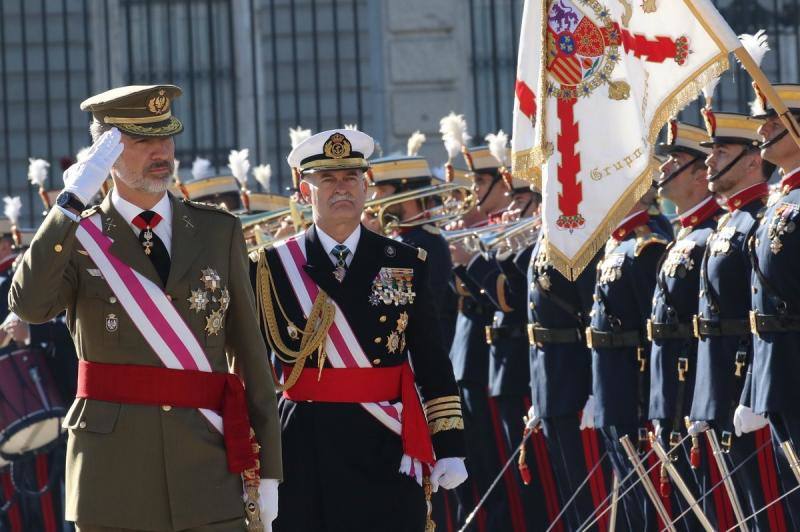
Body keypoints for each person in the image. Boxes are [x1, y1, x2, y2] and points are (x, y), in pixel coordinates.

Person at [9, 84, 282, 531]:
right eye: (141, 140)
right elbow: (29, 306)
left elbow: (249, 354)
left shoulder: (218, 231)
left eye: (166, 137)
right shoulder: (77, 237)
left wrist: (268, 468)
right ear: (106, 154)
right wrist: (68, 207)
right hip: (113, 474)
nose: (161, 151)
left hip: (207, 468)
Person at [256, 128, 467, 532]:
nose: (342, 189)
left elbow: (431, 358)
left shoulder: (406, 261)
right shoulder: (270, 266)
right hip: (303, 442)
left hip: (384, 441)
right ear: (305, 190)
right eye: (328, 180)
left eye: (351, 178)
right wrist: (258, 465)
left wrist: (450, 446)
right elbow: (253, 369)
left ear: (365, 186)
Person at [686, 108, 790, 530]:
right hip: (721, 382)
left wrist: (752, 388)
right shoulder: (729, 221)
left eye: (720, 150)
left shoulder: (763, 216)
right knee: (737, 512)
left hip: (752, 381)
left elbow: (761, 312)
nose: (708, 160)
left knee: (770, 509)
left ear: (751, 159)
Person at [648, 120, 722, 529]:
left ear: (699, 173)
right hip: (671, 393)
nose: (664, 169)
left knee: (708, 507)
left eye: (675, 160)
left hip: (696, 390)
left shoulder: (711, 233)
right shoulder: (686, 233)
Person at [588, 186, 670, 530]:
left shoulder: (647, 247)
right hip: (610, 381)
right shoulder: (614, 244)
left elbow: (652, 330)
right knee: (629, 488)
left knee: (648, 494)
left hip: (631, 383)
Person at [744, 83, 800, 524]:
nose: (761, 130)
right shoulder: (778, 201)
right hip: (779, 371)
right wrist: (752, 387)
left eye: (771, 121)